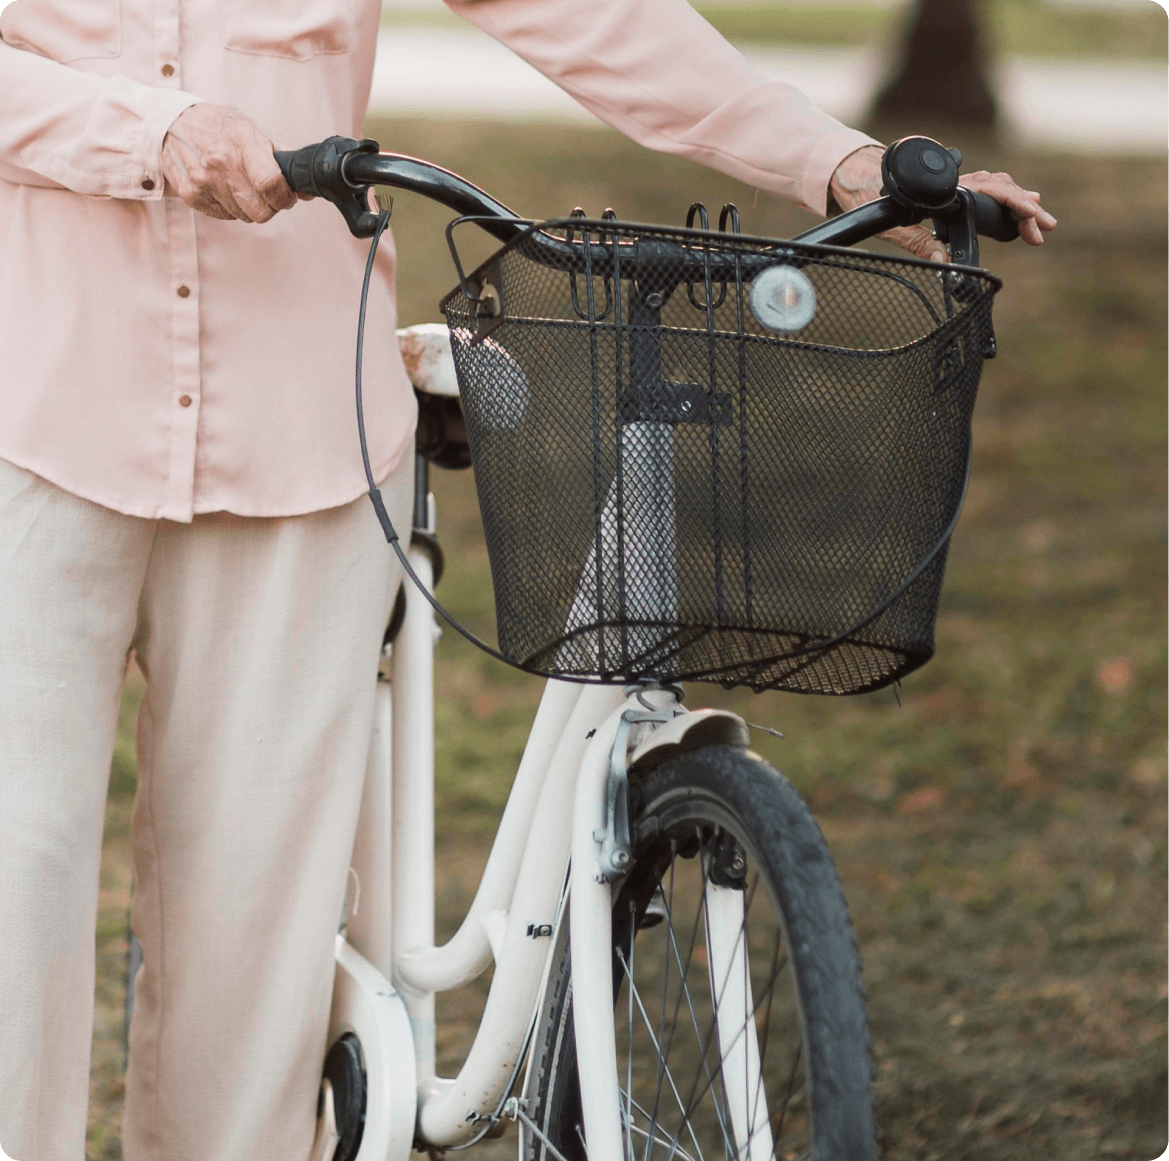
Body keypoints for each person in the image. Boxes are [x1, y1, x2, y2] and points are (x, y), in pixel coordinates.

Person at [0, 1, 1057, 1158]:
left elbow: (584, 10)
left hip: (301, 427)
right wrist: (144, 130)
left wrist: (832, 157)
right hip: (34, 410)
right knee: (13, 900)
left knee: (252, 957)